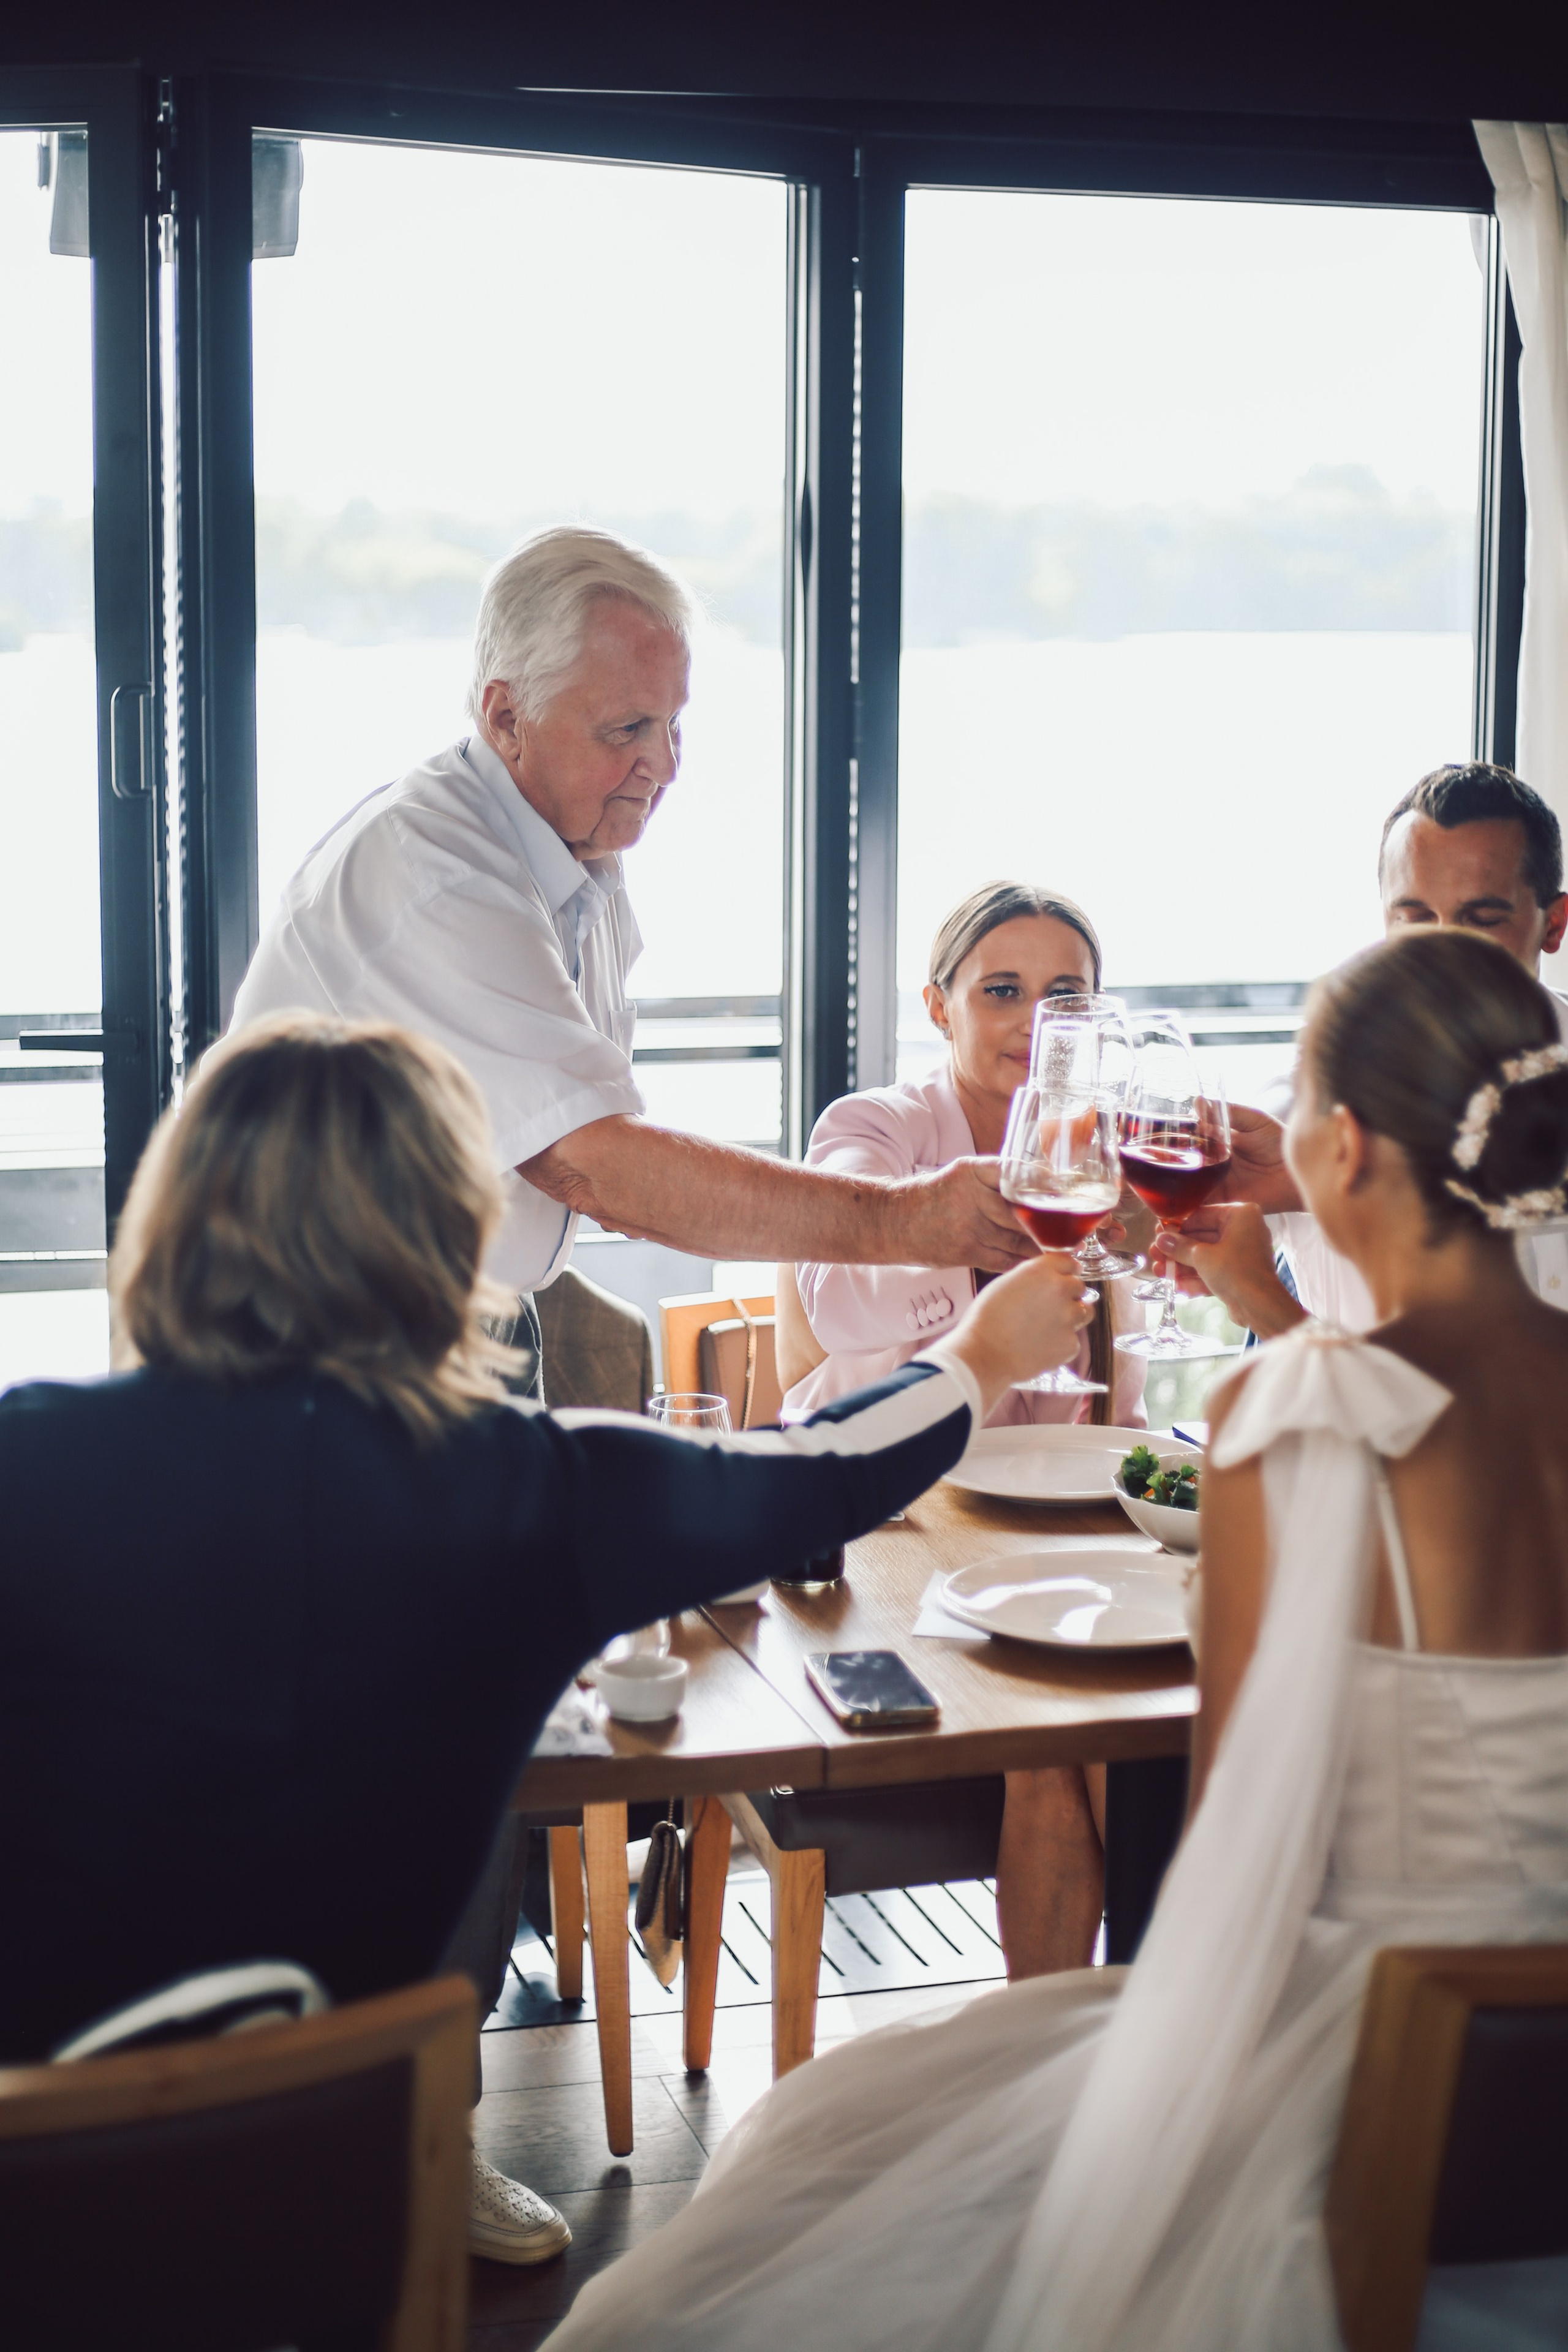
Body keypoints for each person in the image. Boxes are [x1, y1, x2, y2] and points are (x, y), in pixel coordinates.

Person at [540, 927, 1568, 2352]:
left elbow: (1231, 1833)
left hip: (1385, 2066)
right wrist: (1265, 1303)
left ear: (1337, 1149)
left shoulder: (1290, 1418)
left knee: (826, 2139)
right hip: (1537, 2092)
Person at [0, 1013, 1091, 2264]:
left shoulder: (26, 1454)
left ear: (175, 1216)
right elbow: (821, 1469)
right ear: (448, 1234)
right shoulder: (527, 1489)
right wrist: (977, 1354)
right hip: (340, 2200)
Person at [232, 526, 1030, 1392]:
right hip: (316, 1354)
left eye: (673, 722)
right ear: (506, 717)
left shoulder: (577, 851)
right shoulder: (436, 876)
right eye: (627, 729)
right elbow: (595, 1166)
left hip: (463, 1323)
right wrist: (907, 1220)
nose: (667, 764)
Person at [780, 881, 1149, 1980]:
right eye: (1002, 991)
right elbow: (836, 1303)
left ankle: (1140, 2027)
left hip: (1056, 1526)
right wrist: (978, 1263)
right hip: (893, 1526)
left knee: (1144, 1728)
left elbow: (1120, 1400)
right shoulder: (873, 1129)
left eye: (1064, 995)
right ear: (939, 1006)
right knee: (1064, 1734)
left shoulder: (1112, 1153)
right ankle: (1077, 2038)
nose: (1035, 1021)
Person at [1169, 761, 1568, 1339]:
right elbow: (1149, 1237)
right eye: (1415, 918)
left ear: (1553, 925)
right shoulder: (1310, 1092)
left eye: (1481, 920)